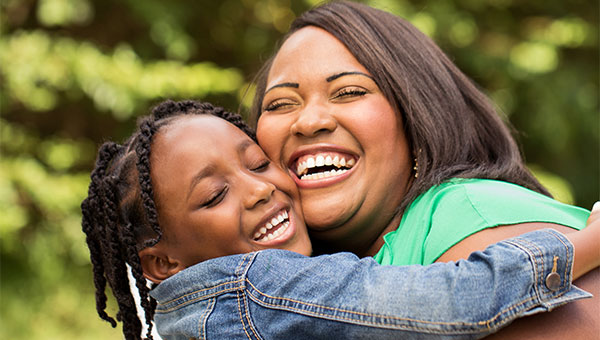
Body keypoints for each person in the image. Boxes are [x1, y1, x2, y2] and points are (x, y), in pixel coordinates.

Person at [81, 99, 597, 340]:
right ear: (163, 262)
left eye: (258, 163)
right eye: (215, 196)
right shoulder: (253, 287)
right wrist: (589, 243)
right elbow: (452, 303)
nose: (262, 188)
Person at [250, 1, 598, 338]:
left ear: (418, 121)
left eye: (349, 92)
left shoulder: (472, 216)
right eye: (280, 104)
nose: (309, 122)